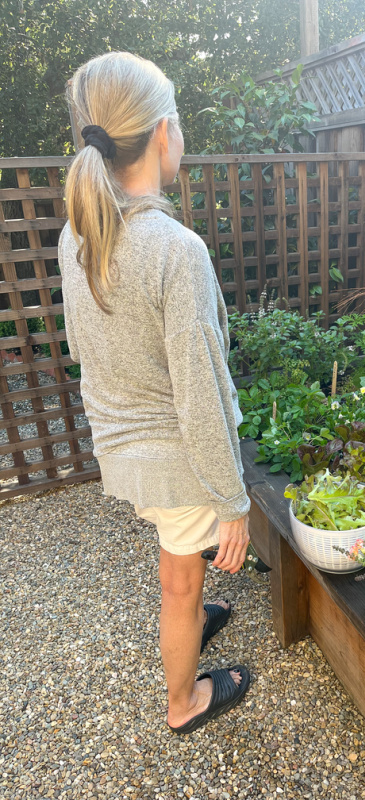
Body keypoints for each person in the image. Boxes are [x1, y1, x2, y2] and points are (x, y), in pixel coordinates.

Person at [59, 52, 252, 735]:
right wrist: (233, 503)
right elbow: (198, 394)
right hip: (178, 460)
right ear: (165, 133)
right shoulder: (175, 250)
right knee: (181, 583)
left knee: (178, 560)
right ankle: (184, 702)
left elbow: (85, 350)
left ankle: (195, 625)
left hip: (124, 452)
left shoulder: (77, 233)